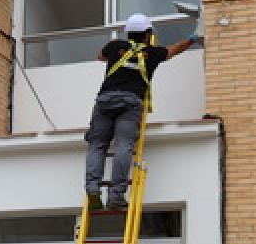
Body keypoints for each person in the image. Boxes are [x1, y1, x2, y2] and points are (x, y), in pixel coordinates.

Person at [85, 13, 200, 211]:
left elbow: (100, 56)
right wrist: (192, 38)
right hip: (131, 102)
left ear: (128, 33)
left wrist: (119, 56)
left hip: (105, 99)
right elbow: (174, 49)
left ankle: (93, 188)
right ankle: (116, 195)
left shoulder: (114, 46)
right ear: (147, 34)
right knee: (123, 146)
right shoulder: (153, 53)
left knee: (97, 144)